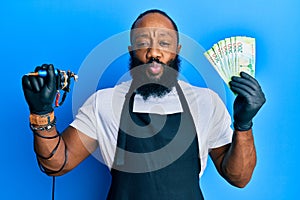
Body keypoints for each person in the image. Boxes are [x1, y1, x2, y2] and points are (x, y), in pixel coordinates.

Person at [22, 9, 266, 200]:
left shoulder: (206, 102)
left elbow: (239, 177)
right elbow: (57, 164)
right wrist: (41, 115)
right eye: (143, 43)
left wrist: (243, 125)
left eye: (164, 43)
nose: (153, 52)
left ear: (177, 51)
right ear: (131, 50)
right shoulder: (104, 103)